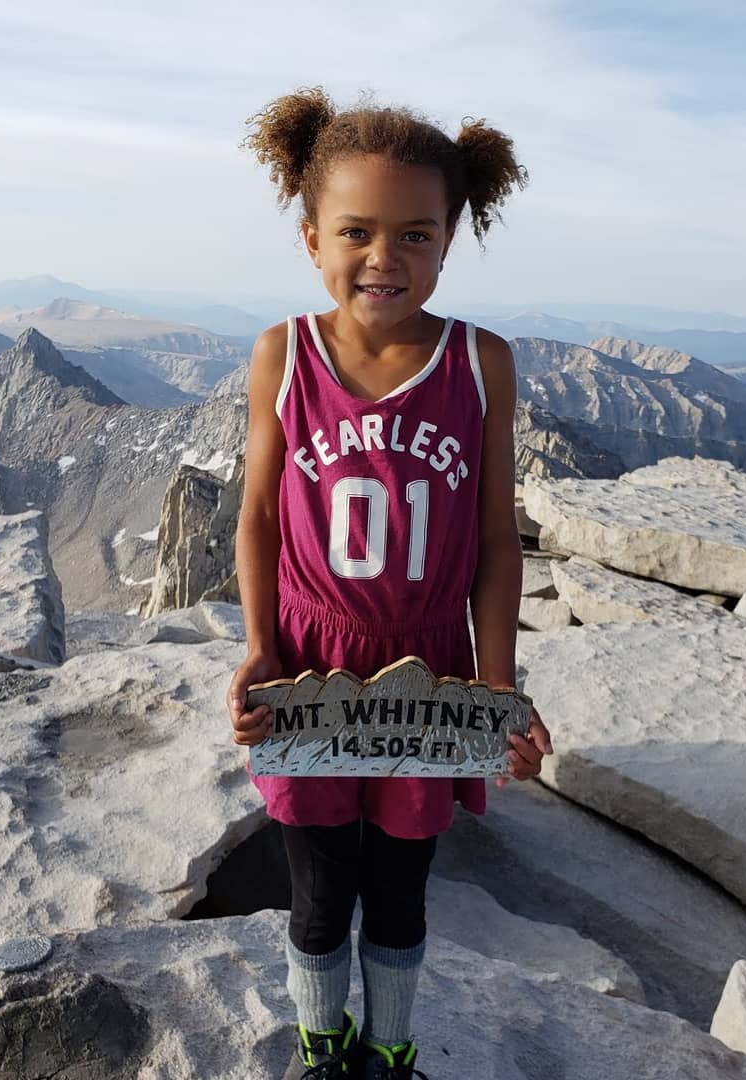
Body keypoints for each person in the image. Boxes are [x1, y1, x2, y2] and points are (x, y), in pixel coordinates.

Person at [227, 87, 553, 1080]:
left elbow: (498, 541)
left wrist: (495, 688)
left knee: (404, 886)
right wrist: (257, 647)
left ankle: (393, 1049)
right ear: (311, 234)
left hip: (430, 676)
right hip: (311, 668)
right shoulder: (284, 353)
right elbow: (256, 514)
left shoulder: (480, 363)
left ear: (451, 238)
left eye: (416, 233)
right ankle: (325, 1049)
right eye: (357, 231)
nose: (385, 257)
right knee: (320, 889)